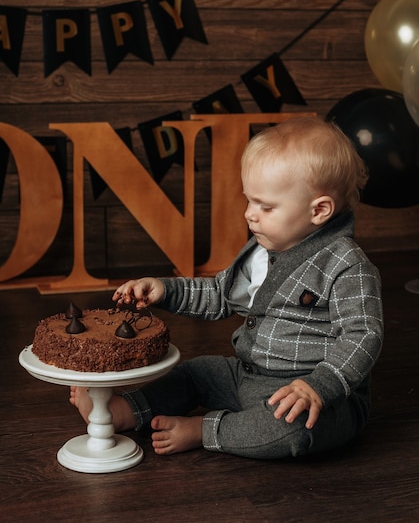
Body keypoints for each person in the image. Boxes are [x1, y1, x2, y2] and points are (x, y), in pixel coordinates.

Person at [70, 115, 384, 459]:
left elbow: (363, 335)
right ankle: (121, 411)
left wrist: (318, 387)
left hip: (307, 394)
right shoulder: (262, 250)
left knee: (293, 430)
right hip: (248, 376)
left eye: (266, 206)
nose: (250, 214)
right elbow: (220, 294)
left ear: (319, 210)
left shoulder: (346, 265)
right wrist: (165, 289)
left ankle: (207, 430)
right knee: (196, 372)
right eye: (249, 200)